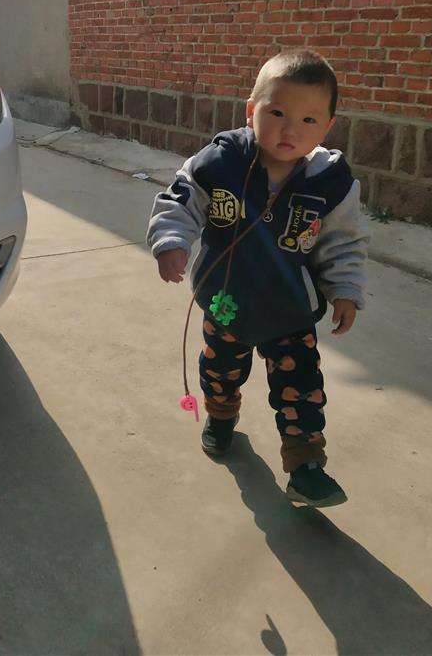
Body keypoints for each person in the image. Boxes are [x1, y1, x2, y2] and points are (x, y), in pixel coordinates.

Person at [146, 49, 369, 508]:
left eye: (309, 120)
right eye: (278, 113)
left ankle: (306, 466)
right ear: (252, 111)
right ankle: (221, 414)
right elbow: (182, 199)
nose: (291, 130)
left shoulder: (331, 183)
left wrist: (345, 289)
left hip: (289, 310)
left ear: (328, 126)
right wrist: (171, 240)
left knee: (302, 386)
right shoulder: (221, 162)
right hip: (226, 301)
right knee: (220, 370)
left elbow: (342, 243)